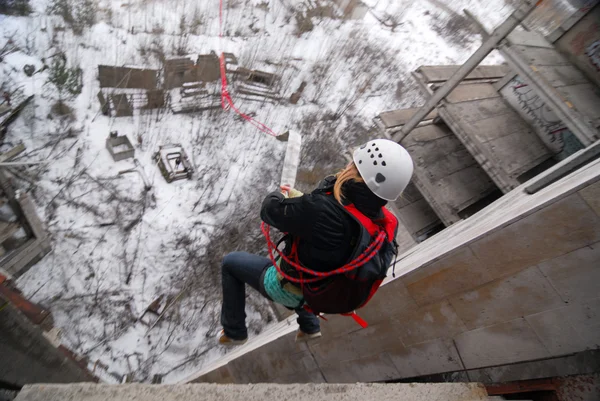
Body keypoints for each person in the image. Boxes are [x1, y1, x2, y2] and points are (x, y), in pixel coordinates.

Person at [218, 138, 414, 345]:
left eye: (353, 163)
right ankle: (310, 328)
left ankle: (234, 331)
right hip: (329, 288)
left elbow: (270, 211)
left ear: (356, 170)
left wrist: (279, 195)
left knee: (230, 263)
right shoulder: (384, 223)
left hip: (291, 289)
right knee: (314, 269)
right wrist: (303, 203)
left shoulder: (323, 212)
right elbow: (332, 229)